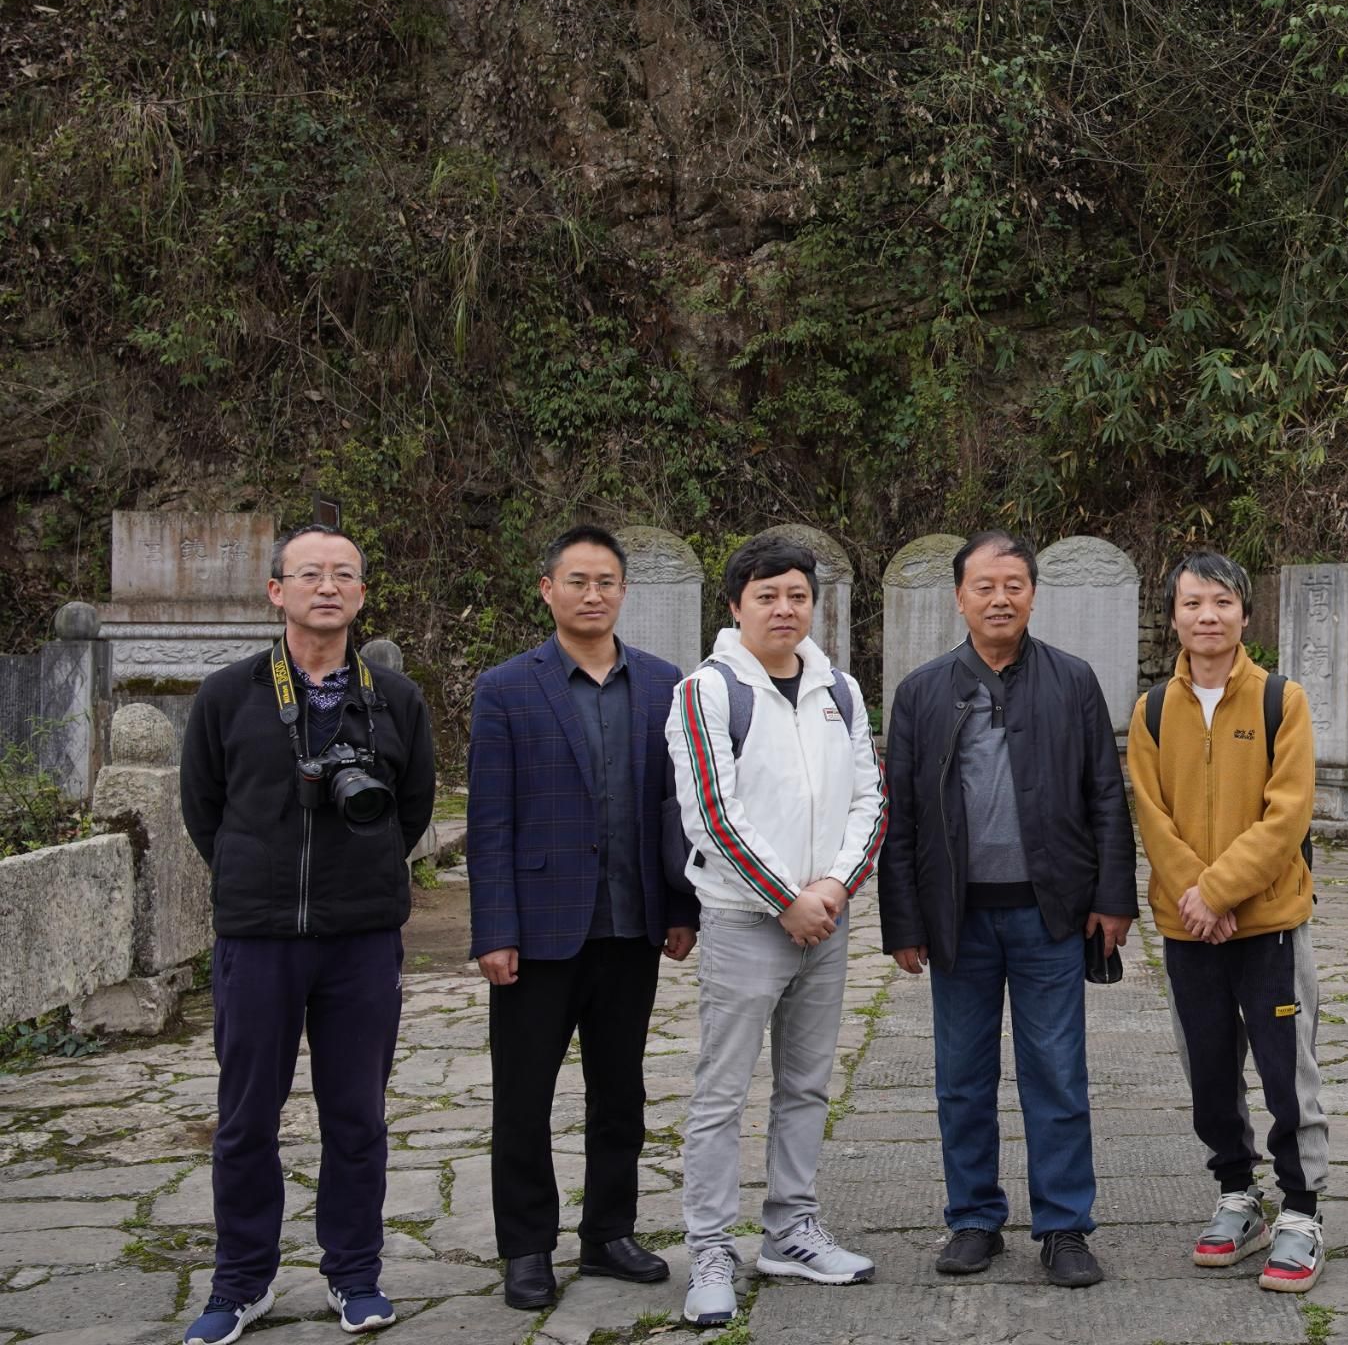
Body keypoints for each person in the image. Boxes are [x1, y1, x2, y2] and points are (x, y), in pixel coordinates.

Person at [178, 524, 437, 1345]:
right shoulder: (228, 695)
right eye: (310, 574)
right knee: (246, 1118)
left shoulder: (395, 698)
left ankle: (354, 1274)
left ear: (362, 594)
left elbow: (412, 809)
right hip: (257, 938)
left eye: (344, 575)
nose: (328, 587)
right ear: (276, 591)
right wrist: (257, 876)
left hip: (361, 939)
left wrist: (360, 879)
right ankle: (239, 1283)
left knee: (356, 1115)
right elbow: (203, 809)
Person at [879, 531, 1138, 1289]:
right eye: (985, 586)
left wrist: (1112, 897)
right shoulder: (922, 692)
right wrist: (904, 922)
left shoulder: (1072, 680)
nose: (1000, 599)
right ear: (959, 597)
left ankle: (1064, 1226)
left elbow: (1105, 793)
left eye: (1014, 585)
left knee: (1056, 1073)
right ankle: (973, 1219)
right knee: (961, 1076)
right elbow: (901, 815)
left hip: (1049, 915)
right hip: (956, 919)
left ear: (1032, 594)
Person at [468, 525, 697, 1310]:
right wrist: (495, 929)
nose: (592, 594)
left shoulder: (664, 684)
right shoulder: (506, 688)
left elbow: (675, 809)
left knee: (621, 1091)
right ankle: (528, 1246)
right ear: (547, 590)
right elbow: (490, 820)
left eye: (606, 581)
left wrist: (680, 907)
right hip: (539, 931)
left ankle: (608, 1232)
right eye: (577, 581)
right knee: (523, 1096)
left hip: (632, 924)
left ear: (623, 591)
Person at [668, 537, 886, 1328]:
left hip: (825, 919)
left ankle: (791, 1230)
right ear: (736, 606)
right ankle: (710, 1248)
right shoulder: (708, 692)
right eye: (767, 596)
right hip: (744, 921)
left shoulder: (841, 691)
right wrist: (786, 899)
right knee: (722, 1093)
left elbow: (869, 799)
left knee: (806, 1085)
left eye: (797, 595)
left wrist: (831, 888)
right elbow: (712, 815)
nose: (784, 609)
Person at [1127, 552, 1329, 1292]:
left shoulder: (1282, 700)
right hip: (1189, 928)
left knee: (1287, 1071)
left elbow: (1288, 814)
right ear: (1173, 616)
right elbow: (1152, 815)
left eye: (1221, 602)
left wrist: (1220, 891)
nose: (1206, 616)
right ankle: (1238, 1195)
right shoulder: (1152, 710)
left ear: (1245, 613)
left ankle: (1302, 1209)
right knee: (1208, 1069)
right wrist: (1197, 896)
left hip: (1267, 924)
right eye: (1192, 603)